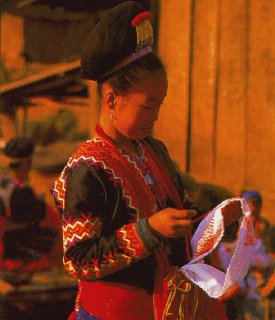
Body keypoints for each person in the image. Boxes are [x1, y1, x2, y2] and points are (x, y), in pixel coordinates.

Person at [51, 2, 253, 319]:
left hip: (164, 307)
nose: (155, 116)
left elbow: (180, 217)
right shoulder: (87, 168)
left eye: (160, 105)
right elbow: (78, 260)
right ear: (112, 100)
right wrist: (148, 231)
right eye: (148, 107)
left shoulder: (153, 150)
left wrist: (209, 223)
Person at [0, 137, 58, 282]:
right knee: (53, 233)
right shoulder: (23, 190)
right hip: (19, 239)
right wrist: (41, 206)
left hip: (8, 238)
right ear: (26, 164)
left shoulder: (3, 183)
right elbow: (32, 219)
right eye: (29, 163)